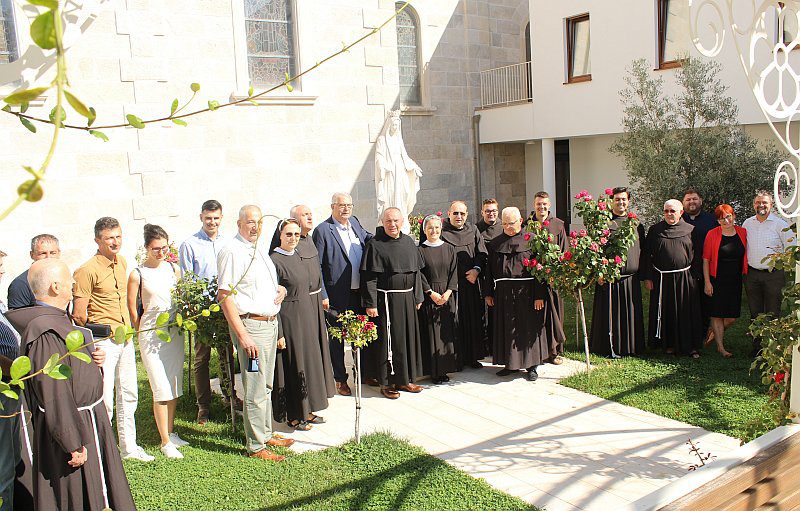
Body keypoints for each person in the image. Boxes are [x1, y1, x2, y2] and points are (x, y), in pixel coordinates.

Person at [6, 259, 136, 511]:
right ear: (55, 286)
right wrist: (72, 441)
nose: (74, 283)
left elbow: (68, 372)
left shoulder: (55, 321)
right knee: (77, 497)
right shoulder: (45, 330)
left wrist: (90, 360)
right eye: (69, 279)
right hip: (73, 426)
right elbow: (54, 392)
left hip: (86, 420)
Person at [73, 217, 154, 461]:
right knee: (105, 399)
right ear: (98, 240)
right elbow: (78, 314)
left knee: (129, 394)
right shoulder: (87, 270)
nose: (115, 242)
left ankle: (128, 448)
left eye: (118, 236)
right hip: (103, 341)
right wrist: (93, 340)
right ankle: (102, 450)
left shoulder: (123, 263)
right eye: (109, 238)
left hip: (124, 338)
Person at [217, 205, 293, 461]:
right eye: (249, 222)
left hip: (269, 326)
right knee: (254, 385)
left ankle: (265, 432)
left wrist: (280, 291)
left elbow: (263, 286)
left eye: (258, 222)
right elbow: (224, 296)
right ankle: (256, 445)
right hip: (251, 330)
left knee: (266, 384)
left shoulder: (258, 250)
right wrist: (243, 336)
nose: (254, 227)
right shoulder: (232, 251)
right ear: (238, 223)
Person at [127, 224, 188, 459]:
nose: (160, 252)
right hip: (152, 335)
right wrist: (141, 329)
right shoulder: (138, 274)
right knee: (160, 387)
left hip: (174, 332)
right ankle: (164, 441)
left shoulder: (173, 269)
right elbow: (133, 309)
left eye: (164, 248)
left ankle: (171, 432)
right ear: (146, 248)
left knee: (173, 384)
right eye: (155, 249)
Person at [178, 199, 238, 425]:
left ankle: (229, 396)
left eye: (216, 218)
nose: (212, 222)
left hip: (225, 307)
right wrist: (191, 309)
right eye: (208, 218)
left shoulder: (229, 243)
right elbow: (186, 280)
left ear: (221, 218)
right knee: (202, 358)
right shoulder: (190, 245)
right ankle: (203, 406)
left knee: (226, 353)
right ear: (201, 217)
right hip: (202, 310)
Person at [270, 219, 334, 430]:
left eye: (297, 235)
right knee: (293, 364)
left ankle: (308, 408)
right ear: (280, 235)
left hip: (306, 315)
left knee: (307, 364)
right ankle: (294, 414)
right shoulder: (274, 260)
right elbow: (272, 300)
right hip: (289, 319)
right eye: (289, 234)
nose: (293, 238)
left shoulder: (297, 254)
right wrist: (279, 332)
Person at [361, 207, 425, 399]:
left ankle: (405, 379)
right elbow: (369, 277)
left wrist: (418, 297)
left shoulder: (408, 242)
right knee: (388, 342)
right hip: (385, 300)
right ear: (383, 222)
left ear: (402, 221)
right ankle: (386, 382)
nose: (392, 225)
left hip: (407, 299)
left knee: (405, 340)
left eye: (396, 221)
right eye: (388, 221)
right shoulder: (375, 244)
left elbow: (416, 273)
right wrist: (371, 303)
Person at [312, 192, 373, 396]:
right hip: (337, 295)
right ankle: (340, 379)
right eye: (341, 205)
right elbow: (317, 265)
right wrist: (323, 294)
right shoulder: (323, 230)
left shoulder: (354, 222)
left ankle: (362, 372)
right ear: (332, 207)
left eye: (349, 205)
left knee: (360, 335)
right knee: (337, 339)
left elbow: (368, 238)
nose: (346, 208)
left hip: (358, 292)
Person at [485, 207, 551, 381]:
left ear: (520, 221)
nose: (507, 227)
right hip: (503, 294)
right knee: (507, 328)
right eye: (504, 223)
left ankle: (532, 366)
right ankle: (510, 364)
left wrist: (539, 295)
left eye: (511, 223)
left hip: (528, 293)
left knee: (528, 328)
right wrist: (488, 293)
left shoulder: (532, 241)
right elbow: (489, 271)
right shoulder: (495, 243)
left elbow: (540, 271)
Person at [589, 187, 647, 357]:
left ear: (628, 201)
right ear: (611, 201)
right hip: (608, 279)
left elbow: (642, 250)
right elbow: (595, 251)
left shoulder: (637, 225)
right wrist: (598, 272)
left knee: (630, 314)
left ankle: (631, 347)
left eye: (624, 199)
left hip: (630, 280)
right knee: (609, 314)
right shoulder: (604, 223)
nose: (621, 202)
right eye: (617, 199)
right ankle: (607, 347)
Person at [641, 199, 703, 357]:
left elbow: (698, 255)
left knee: (685, 313)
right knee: (666, 311)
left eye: (672, 211)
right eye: (666, 211)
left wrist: (695, 276)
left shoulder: (691, 230)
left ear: (681, 212)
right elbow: (646, 255)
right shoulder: (655, 230)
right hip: (661, 279)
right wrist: (648, 277)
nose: (669, 214)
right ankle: (667, 344)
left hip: (685, 279)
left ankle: (689, 346)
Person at [435, 200, 487, 369]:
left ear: (467, 215)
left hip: (470, 283)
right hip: (449, 287)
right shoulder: (440, 231)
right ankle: (454, 359)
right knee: (452, 322)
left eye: (462, 213)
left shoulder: (473, 230)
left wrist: (476, 270)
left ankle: (472, 357)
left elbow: (482, 254)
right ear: (448, 214)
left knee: (471, 321)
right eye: (455, 213)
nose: (459, 216)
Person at [742, 191, 795, 356]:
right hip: (752, 275)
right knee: (755, 312)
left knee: (773, 311)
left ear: (771, 205)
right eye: (758, 202)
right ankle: (757, 347)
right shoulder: (747, 223)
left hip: (774, 275)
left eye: (764, 202)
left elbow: (791, 247)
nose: (761, 205)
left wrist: (783, 262)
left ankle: (772, 349)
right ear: (753, 205)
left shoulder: (780, 224)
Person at [417, 215, 459, 383]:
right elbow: (419, 273)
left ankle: (446, 368)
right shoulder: (420, 250)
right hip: (430, 296)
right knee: (431, 333)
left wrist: (448, 292)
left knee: (446, 332)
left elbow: (454, 272)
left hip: (447, 295)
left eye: (436, 227)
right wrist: (430, 292)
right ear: (424, 230)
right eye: (430, 228)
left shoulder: (449, 248)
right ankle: (434, 371)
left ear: (441, 228)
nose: (433, 231)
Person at [702, 204, 748, 358]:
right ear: (718, 220)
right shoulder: (712, 234)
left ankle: (712, 332)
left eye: (728, 216)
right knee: (716, 314)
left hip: (735, 280)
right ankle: (721, 348)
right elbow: (706, 260)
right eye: (722, 218)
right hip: (717, 279)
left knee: (731, 317)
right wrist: (707, 282)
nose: (726, 220)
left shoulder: (742, 232)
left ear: (734, 216)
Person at [0, 249, 26, 511]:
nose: (1, 271)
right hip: (4, 387)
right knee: (4, 465)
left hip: (11, 387)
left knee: (12, 455)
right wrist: (22, 370)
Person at [529, 191, 567, 364]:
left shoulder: (558, 225)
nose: (541, 207)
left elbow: (564, 252)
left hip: (553, 278)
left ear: (549, 205)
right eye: (538, 204)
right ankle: (540, 350)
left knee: (554, 313)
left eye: (544, 204)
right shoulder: (528, 226)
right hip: (534, 277)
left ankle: (555, 351)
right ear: (534, 205)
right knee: (537, 314)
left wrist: (558, 274)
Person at [374, 110, 423, 231]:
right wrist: (382, 166)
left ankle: (401, 221)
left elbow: (404, 156)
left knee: (403, 194)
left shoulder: (398, 139)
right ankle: (389, 220)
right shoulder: (382, 140)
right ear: (389, 125)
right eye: (393, 125)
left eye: (397, 125)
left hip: (400, 172)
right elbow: (379, 156)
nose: (395, 127)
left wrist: (414, 166)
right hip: (389, 174)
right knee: (390, 196)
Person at [682, 187, 718, 343]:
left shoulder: (711, 220)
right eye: (688, 199)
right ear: (683, 203)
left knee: (705, 304)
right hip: (683, 269)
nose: (692, 202)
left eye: (694, 199)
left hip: (706, 269)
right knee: (685, 303)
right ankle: (686, 332)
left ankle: (703, 333)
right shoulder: (677, 218)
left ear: (701, 201)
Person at [7, 234, 60, 309]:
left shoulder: (62, 278)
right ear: (32, 255)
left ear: (59, 253)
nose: (48, 257)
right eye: (42, 253)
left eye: (52, 253)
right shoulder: (21, 284)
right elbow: (17, 318)